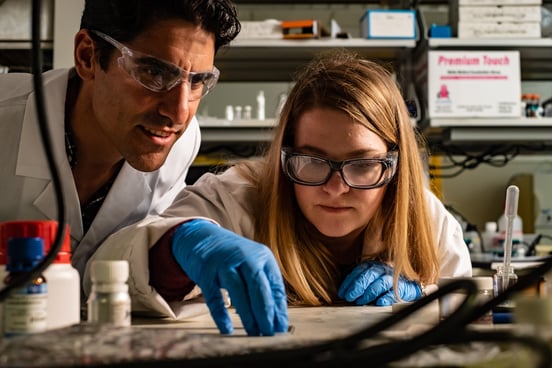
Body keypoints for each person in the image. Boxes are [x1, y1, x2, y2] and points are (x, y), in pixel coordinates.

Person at [85, 50, 471, 335]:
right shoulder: (234, 199)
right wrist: (180, 245)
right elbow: (105, 271)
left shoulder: (427, 221)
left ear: (395, 164)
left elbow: (465, 327)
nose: (335, 188)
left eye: (362, 164)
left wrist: (419, 294)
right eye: (313, 162)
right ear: (285, 155)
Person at [0, 0, 241, 279]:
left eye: (197, 81)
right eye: (154, 72)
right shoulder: (6, 120)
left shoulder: (182, 142)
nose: (178, 112)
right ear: (87, 56)